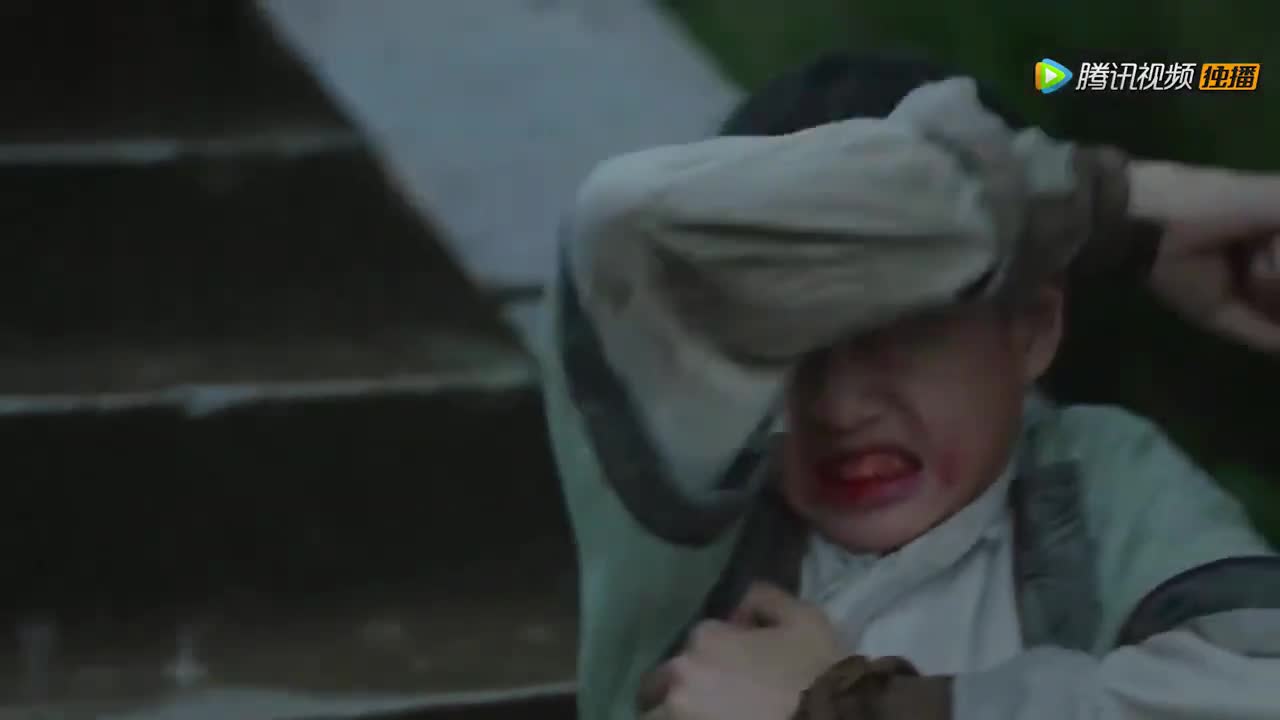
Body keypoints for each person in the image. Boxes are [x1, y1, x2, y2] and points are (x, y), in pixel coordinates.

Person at [538, 51, 1280, 720]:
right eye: (787, 343)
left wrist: (855, 706)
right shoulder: (688, 512)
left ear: (1030, 327)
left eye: (902, 331)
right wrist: (1092, 202)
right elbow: (619, 220)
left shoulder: (1098, 483)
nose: (839, 407)